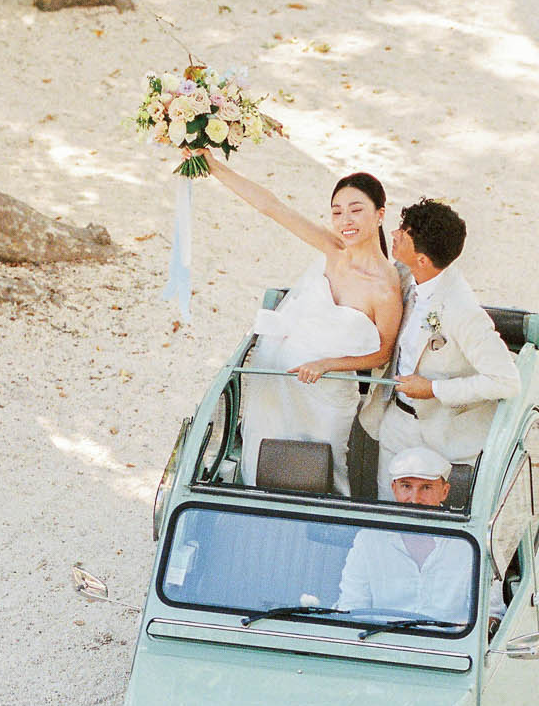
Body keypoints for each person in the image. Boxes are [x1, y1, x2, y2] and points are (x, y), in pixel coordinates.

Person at [191, 155, 403, 494]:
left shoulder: (385, 287)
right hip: (276, 383)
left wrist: (326, 365)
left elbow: (381, 354)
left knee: (324, 476)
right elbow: (271, 207)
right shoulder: (333, 250)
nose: (344, 220)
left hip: (326, 395)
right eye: (336, 211)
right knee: (263, 469)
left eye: (355, 209)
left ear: (379, 214)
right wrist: (213, 165)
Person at [358, 197, 519, 500]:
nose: (394, 234)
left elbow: (505, 381)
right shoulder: (406, 275)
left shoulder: (462, 310)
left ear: (423, 259)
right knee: (388, 511)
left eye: (402, 233)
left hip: (442, 435)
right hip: (396, 424)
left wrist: (434, 389)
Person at [336, 448, 472, 626]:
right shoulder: (369, 540)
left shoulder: (469, 543)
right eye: (406, 486)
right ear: (394, 488)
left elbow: (490, 615)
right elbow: (351, 609)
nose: (415, 499)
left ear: (445, 492)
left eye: (426, 487)